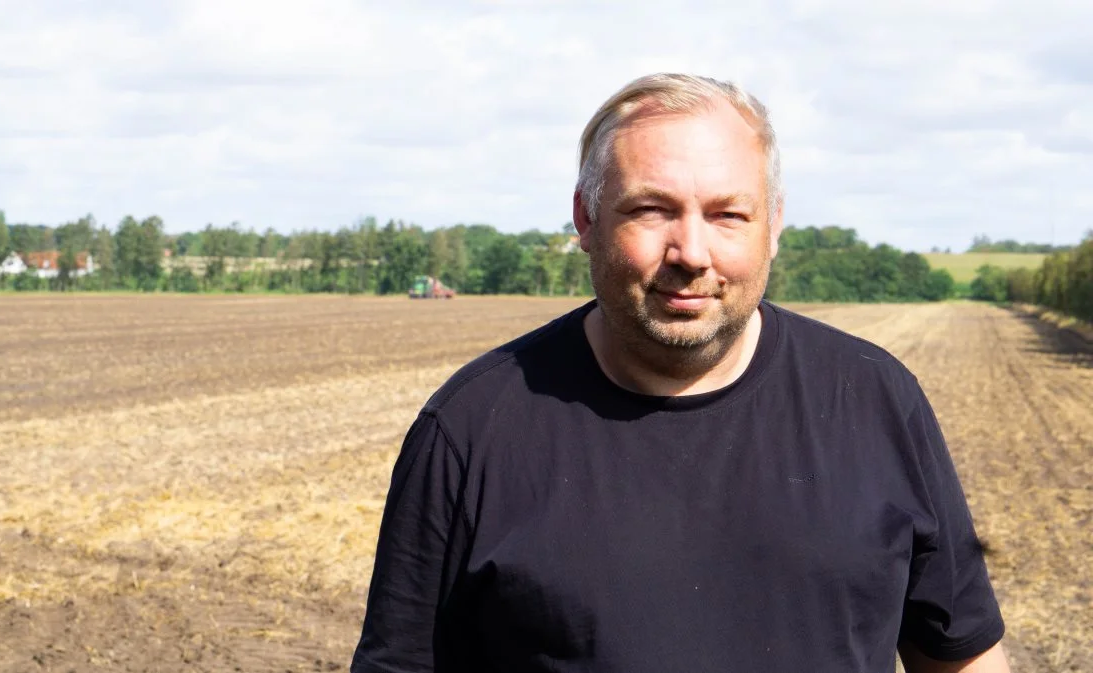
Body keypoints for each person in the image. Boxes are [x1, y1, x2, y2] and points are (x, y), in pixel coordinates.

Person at [351, 73, 1010, 673]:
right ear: (586, 217)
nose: (691, 252)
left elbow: (961, 659)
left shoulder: (876, 401)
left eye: (728, 215)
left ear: (773, 224)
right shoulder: (470, 432)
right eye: (651, 210)